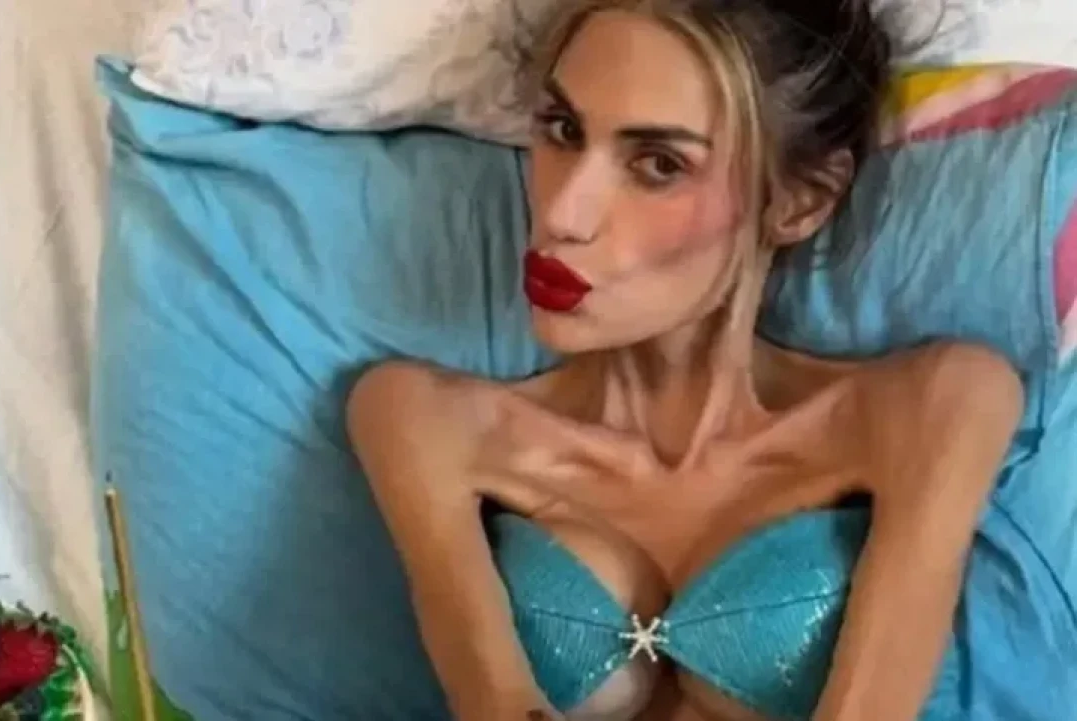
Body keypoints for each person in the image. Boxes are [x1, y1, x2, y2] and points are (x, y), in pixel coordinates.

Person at [346, 1, 1023, 719]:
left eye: (659, 165)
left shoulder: (933, 405)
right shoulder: (424, 419)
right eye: (564, 130)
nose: (563, 214)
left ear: (800, 201)